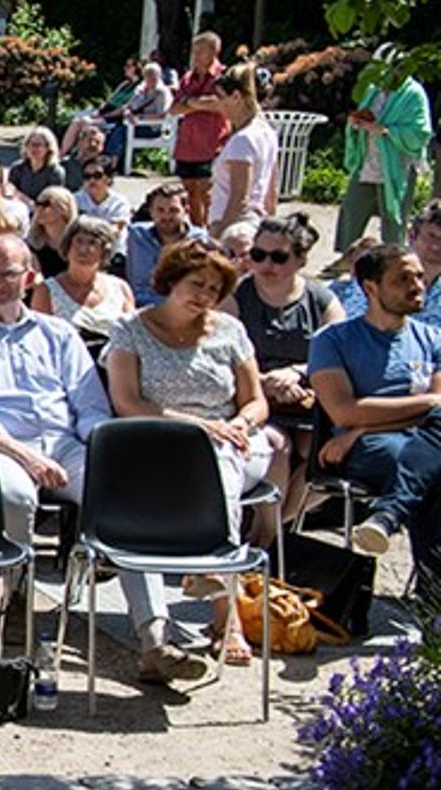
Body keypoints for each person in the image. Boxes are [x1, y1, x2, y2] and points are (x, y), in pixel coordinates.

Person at [0, 235, 198, 685]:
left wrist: (101, 451)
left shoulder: (59, 334)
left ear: (29, 277)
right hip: (2, 449)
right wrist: (26, 455)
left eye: (8, 274)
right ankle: (17, 596)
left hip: (64, 445)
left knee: (125, 498)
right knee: (16, 496)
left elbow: (91, 407)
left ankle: (154, 637)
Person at [105, 241, 280, 661]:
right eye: (195, 284)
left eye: (213, 289)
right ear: (171, 282)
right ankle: (155, 637)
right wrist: (199, 426)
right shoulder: (130, 329)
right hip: (159, 440)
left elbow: (256, 400)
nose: (203, 295)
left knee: (214, 459)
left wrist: (239, 423)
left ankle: (226, 614)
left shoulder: (229, 331)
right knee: (136, 505)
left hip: (233, 443)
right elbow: (127, 402)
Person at [309, 243, 441, 584]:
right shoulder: (333, 340)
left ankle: (388, 515)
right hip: (368, 449)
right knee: (426, 472)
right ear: (370, 288)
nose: (417, 286)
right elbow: (344, 411)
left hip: (410, 439)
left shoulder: (433, 339)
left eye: (419, 277)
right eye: (403, 279)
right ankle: (432, 601)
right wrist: (359, 430)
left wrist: (361, 427)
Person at [235, 215, 342, 432]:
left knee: (314, 450)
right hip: (248, 398)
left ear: (301, 260)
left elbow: (339, 355)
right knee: (279, 445)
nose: (267, 265)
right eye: (258, 255)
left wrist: (296, 374)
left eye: (279, 257)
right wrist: (263, 382)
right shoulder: (234, 297)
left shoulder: (323, 301)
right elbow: (218, 352)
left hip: (305, 399)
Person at [339, 70, 433, 249]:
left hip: (397, 165)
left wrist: (384, 130)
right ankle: (345, 256)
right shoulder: (374, 90)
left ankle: (393, 259)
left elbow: (420, 134)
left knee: (393, 215)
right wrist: (356, 123)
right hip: (368, 161)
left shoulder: (414, 94)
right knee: (352, 208)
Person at [31, 215, 133, 343]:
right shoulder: (46, 290)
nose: (84, 249)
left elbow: (131, 337)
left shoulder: (120, 289)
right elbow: (40, 338)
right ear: (68, 246)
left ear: (104, 251)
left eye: (92, 243)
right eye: (79, 241)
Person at [167, 32, 231, 226]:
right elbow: (174, 108)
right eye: (194, 51)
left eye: (199, 51)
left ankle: (213, 229)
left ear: (213, 51)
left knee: (208, 192)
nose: (194, 56)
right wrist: (200, 103)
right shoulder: (188, 77)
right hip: (188, 144)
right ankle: (198, 231)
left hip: (212, 143)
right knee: (190, 193)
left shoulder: (224, 76)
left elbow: (220, 104)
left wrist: (190, 102)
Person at [209, 62, 278, 231]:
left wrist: (219, 234)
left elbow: (239, 197)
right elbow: (272, 192)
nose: (218, 104)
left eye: (221, 97)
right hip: (257, 222)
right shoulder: (268, 132)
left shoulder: (242, 140)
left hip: (234, 226)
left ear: (236, 97)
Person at [123, 179, 207, 307]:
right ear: (151, 212)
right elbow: (138, 287)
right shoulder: (138, 235)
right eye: (160, 210)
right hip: (144, 308)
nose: (166, 216)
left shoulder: (199, 239)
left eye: (173, 210)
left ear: (186, 210)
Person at [24, 187, 79, 280]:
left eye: (46, 204)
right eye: (38, 204)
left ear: (64, 209)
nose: (39, 209)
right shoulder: (31, 243)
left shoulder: (78, 242)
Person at [8, 127, 62, 202]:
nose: (34, 149)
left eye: (38, 145)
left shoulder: (55, 172)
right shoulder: (17, 168)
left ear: (48, 148)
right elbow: (10, 191)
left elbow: (53, 200)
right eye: (32, 144)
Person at [76, 155, 130, 227]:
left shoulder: (119, 203)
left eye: (97, 175)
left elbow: (117, 229)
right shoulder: (75, 200)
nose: (92, 180)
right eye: (87, 176)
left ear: (109, 178)